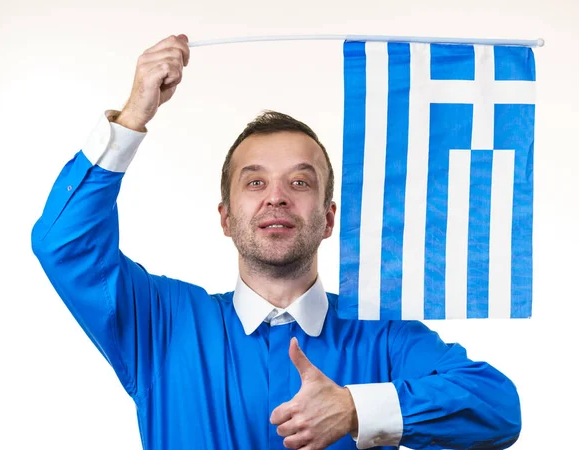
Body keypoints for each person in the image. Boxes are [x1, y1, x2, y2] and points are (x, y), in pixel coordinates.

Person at [31, 34, 522, 450]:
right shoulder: (159, 323)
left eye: (301, 182)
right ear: (225, 218)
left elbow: (498, 408)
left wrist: (357, 409)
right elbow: (63, 243)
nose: (278, 199)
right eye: (255, 182)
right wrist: (133, 116)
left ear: (329, 219)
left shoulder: (384, 334)